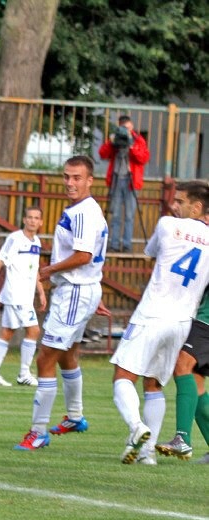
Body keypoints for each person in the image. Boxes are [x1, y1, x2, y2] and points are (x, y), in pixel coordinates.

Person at [109, 180, 209, 465]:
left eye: (180, 201)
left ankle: (137, 428)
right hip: (182, 322)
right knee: (154, 385)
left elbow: (151, 253)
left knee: (122, 377)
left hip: (153, 313)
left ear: (197, 206)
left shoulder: (167, 224)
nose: (173, 205)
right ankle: (147, 454)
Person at [14, 155, 110, 451]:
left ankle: (38, 432)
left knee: (45, 359)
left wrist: (48, 270)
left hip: (74, 291)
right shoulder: (87, 209)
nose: (70, 182)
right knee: (68, 354)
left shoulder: (82, 213)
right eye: (67, 176)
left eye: (77, 177)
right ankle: (75, 416)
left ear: (90, 180)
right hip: (83, 289)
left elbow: (84, 256)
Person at [153, 180, 209, 463]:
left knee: (182, 364)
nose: (175, 206)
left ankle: (182, 439)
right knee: (196, 382)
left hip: (206, 319)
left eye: (181, 201)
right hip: (200, 316)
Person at [0, 206, 47, 387]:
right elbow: (0, 260)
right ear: (24, 220)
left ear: (41, 222)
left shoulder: (37, 242)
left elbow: (33, 271)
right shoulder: (15, 239)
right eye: (30, 217)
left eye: (36, 218)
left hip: (25, 296)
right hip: (16, 294)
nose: (33, 220)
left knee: (7, 332)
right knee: (33, 331)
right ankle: (23, 373)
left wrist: (40, 291)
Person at [98, 115, 150, 253]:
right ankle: (114, 245)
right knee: (115, 214)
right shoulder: (115, 139)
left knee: (129, 215)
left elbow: (143, 158)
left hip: (131, 181)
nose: (124, 131)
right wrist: (111, 142)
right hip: (116, 179)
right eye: (122, 128)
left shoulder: (138, 140)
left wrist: (131, 145)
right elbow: (102, 154)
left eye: (126, 128)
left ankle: (127, 245)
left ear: (131, 126)